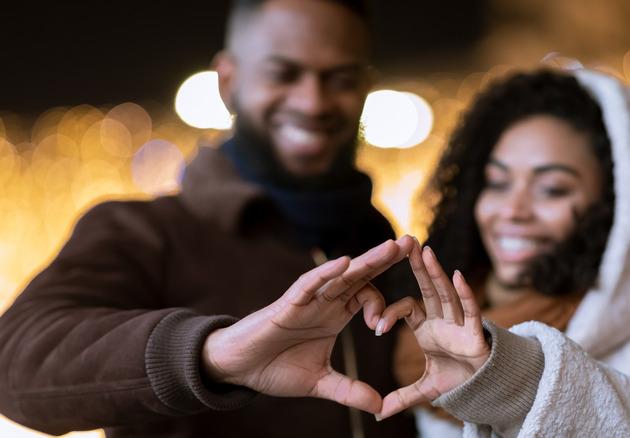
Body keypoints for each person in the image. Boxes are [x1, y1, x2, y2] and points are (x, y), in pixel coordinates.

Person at [0, 0, 418, 437]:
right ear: (228, 82)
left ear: (366, 87)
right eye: (282, 74)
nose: (313, 102)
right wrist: (212, 354)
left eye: (341, 79)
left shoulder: (380, 243)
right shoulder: (143, 232)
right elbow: (14, 364)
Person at [374, 69, 630, 436]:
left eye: (553, 189)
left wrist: (517, 384)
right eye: (496, 183)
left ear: (618, 210)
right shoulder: (423, 338)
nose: (512, 210)